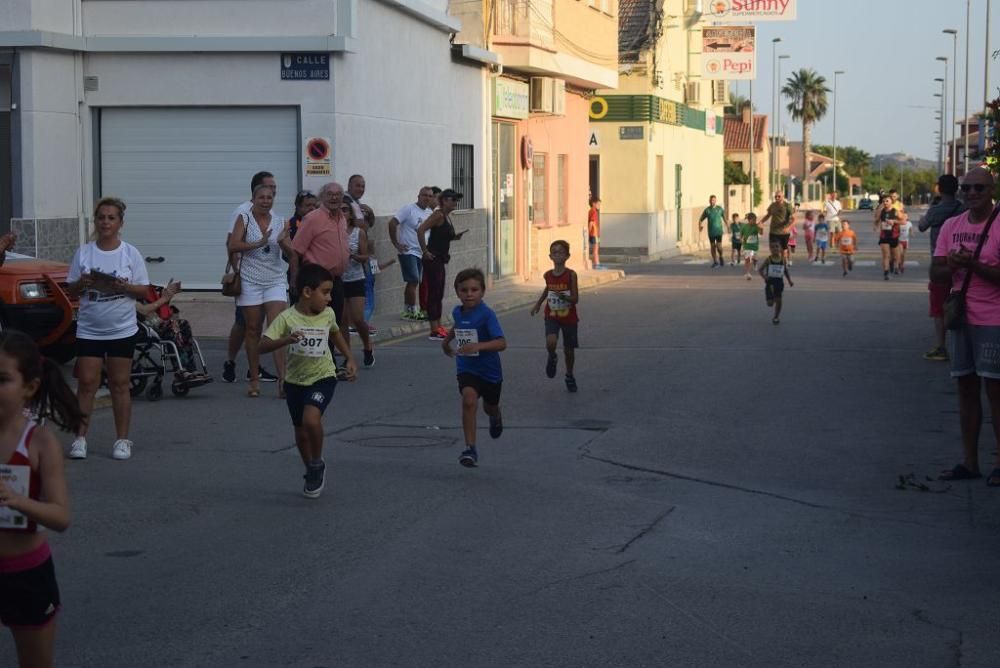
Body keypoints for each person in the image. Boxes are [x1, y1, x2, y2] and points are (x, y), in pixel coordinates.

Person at [0, 332, 82, 668]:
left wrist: (17, 500)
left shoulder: (40, 443)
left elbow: (61, 516)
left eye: (2, 379)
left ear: (30, 388)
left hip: (26, 574)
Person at [259, 264, 357, 498]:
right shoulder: (287, 318)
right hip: (295, 381)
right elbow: (261, 345)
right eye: (325, 292)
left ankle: (316, 463)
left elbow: (334, 332)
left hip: (323, 377)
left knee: (311, 419)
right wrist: (285, 340)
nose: (330, 298)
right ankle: (311, 467)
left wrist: (350, 358)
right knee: (301, 431)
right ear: (306, 292)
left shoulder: (328, 314)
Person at [65, 197, 150, 461]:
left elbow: (144, 290)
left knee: (119, 384)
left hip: (122, 329)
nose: (105, 222)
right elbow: (71, 288)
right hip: (90, 328)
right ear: (96, 221)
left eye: (111, 218)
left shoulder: (130, 253)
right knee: (87, 383)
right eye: (101, 217)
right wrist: (84, 282)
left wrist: (124, 287)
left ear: (120, 222)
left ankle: (122, 440)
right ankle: (79, 439)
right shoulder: (85, 251)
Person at [931, 167, 1000, 486]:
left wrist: (974, 265)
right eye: (966, 188)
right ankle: (969, 462)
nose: (971, 193)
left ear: (992, 190)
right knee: (965, 388)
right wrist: (953, 266)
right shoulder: (950, 226)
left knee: (995, 391)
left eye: (979, 188)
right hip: (961, 317)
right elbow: (937, 273)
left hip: (994, 319)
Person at [228, 183, 293, 398]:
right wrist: (259, 242)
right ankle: (254, 378)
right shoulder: (244, 218)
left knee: (277, 329)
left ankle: (283, 379)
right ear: (253, 199)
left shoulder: (281, 221)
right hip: (250, 280)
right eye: (261, 197)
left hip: (274, 279)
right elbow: (233, 245)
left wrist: (284, 242)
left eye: (269, 197)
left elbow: (291, 254)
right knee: (253, 329)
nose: (266, 201)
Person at [441, 268, 506, 468]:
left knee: (489, 407)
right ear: (457, 292)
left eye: (474, 290)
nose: (469, 294)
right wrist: (447, 341)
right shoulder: (457, 312)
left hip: (490, 371)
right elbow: (460, 326)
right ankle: (470, 448)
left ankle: (495, 416)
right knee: (468, 400)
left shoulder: (487, 315)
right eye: (464, 290)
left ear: (482, 291)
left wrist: (478, 346)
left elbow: (502, 343)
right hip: (467, 367)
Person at [223, 172, 279, 386]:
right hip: (247, 276)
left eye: (274, 187)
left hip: (266, 276)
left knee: (254, 324)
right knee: (245, 324)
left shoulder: (270, 210)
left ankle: (251, 367)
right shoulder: (243, 211)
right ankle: (233, 362)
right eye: (269, 186)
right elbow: (231, 242)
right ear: (256, 190)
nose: (273, 190)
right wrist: (238, 270)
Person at [290, 182, 350, 334]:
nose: (334, 198)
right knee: (317, 325)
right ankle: (319, 357)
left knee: (333, 323)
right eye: (330, 194)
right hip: (316, 281)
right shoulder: (312, 219)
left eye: (338, 194)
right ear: (322, 197)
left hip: (335, 280)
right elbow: (295, 251)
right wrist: (294, 280)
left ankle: (329, 357)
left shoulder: (342, 218)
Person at [919, 174, 966, 361]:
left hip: (940, 264)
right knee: (962, 303)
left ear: (939, 188)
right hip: (962, 262)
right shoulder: (963, 209)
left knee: (939, 305)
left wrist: (928, 213)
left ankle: (940, 346)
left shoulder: (935, 211)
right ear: (957, 189)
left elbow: (922, 226)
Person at [417, 189, 469, 341]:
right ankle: (434, 329)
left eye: (456, 200)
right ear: (444, 200)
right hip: (433, 259)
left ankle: (438, 326)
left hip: (440, 259)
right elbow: (420, 230)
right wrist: (424, 251)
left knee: (438, 293)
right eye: (453, 200)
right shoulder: (438, 215)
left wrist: (454, 237)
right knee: (434, 293)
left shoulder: (446, 217)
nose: (455, 203)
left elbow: (442, 236)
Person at [530, 240, 580, 392]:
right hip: (551, 315)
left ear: (567, 256)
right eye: (554, 252)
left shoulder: (571, 275)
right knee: (551, 342)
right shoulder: (548, 275)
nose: (557, 255)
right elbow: (547, 289)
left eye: (561, 252)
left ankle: (569, 375)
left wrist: (563, 297)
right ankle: (552, 356)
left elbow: (576, 298)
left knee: (569, 350)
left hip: (569, 318)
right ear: (550, 256)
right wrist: (538, 304)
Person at [135, 280, 209, 382]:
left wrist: (168, 294)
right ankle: (180, 370)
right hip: (143, 330)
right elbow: (143, 310)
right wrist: (165, 298)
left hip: (157, 324)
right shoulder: (129, 297)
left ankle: (191, 369)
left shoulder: (148, 292)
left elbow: (160, 308)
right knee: (172, 329)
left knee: (184, 324)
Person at [388, 187, 435, 320]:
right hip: (408, 251)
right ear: (418, 196)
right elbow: (392, 223)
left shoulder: (429, 213)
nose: (427, 198)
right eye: (424, 195)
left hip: (421, 253)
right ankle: (411, 311)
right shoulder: (408, 209)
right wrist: (396, 243)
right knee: (413, 279)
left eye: (430, 196)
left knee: (415, 281)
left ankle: (408, 310)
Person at [339, 203, 375, 369]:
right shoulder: (332, 231)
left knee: (358, 318)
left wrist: (353, 256)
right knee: (342, 321)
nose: (341, 212)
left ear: (351, 214)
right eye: (338, 209)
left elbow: (365, 256)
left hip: (355, 278)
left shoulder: (358, 232)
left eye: (345, 209)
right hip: (338, 279)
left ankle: (367, 345)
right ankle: (348, 356)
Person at [343, 175, 380, 335]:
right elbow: (356, 224)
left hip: (362, 255)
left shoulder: (357, 204)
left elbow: (365, 224)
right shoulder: (347, 202)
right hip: (349, 262)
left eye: (363, 186)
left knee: (368, 285)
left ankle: (359, 323)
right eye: (357, 185)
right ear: (349, 185)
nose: (361, 189)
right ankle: (357, 323)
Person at [759, 239, 793, 325]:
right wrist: (764, 277)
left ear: (781, 248)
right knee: (770, 304)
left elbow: (785, 271)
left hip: (779, 283)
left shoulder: (783, 260)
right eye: (772, 247)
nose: (775, 249)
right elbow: (760, 270)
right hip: (770, 282)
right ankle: (773, 298)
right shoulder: (769, 259)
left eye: (777, 246)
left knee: (779, 300)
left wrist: (789, 281)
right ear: (770, 249)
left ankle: (776, 316)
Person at [759, 191, 796, 265]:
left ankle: (783, 265)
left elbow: (794, 219)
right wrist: (761, 222)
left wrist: (788, 228)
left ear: (783, 196)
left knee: (784, 251)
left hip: (784, 232)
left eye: (779, 196)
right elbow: (768, 215)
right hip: (773, 231)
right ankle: (776, 264)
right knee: (774, 249)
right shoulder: (772, 205)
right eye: (776, 196)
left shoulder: (787, 206)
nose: (777, 198)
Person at [874, 194, 900, 280]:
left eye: (887, 201)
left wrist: (894, 221)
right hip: (884, 236)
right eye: (884, 201)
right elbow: (876, 220)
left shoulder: (895, 211)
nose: (885, 203)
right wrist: (876, 226)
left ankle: (893, 263)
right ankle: (886, 272)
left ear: (891, 202)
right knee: (886, 255)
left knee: (894, 256)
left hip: (894, 236)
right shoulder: (881, 211)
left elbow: (903, 221)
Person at [698, 195, 726, 268]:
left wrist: (728, 226)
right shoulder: (707, 210)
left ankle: (721, 256)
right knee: (713, 246)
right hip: (711, 232)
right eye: (711, 200)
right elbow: (701, 219)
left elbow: (724, 218)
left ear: (715, 201)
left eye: (713, 200)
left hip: (719, 231)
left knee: (719, 246)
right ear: (709, 201)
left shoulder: (720, 209)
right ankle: (715, 261)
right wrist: (700, 226)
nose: (712, 201)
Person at [740, 212, 762, 280]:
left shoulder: (756, 226)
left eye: (755, 220)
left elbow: (761, 233)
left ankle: (755, 262)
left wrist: (761, 228)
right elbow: (741, 235)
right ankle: (748, 273)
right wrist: (741, 240)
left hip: (754, 246)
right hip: (747, 246)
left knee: (754, 258)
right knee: (747, 259)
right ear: (749, 220)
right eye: (753, 220)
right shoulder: (744, 227)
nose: (755, 221)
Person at [588, 198, 602, 268]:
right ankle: (597, 264)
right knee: (595, 249)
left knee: (595, 249)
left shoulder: (591, 211)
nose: (599, 206)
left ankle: (596, 263)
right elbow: (591, 222)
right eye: (598, 204)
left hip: (594, 233)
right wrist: (589, 231)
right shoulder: (593, 211)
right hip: (594, 233)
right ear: (593, 203)